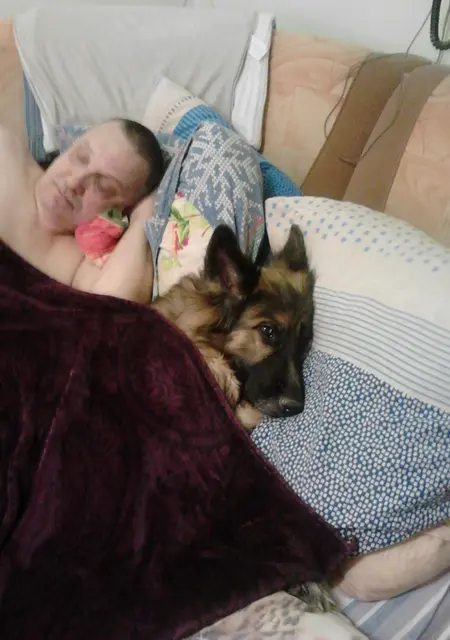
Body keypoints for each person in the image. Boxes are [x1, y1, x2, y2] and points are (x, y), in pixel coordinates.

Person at [0, 118, 164, 303]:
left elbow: (114, 306)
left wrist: (143, 216)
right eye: (81, 157)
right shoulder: (6, 154)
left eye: (103, 187)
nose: (74, 182)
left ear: (120, 212)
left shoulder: (81, 264)